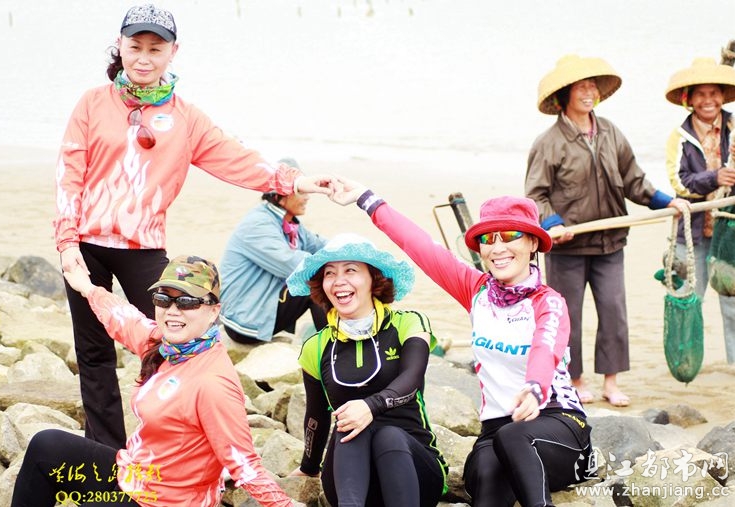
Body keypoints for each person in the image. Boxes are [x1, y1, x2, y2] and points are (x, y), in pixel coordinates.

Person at [55, 3, 335, 448]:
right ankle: (105, 454)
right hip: (85, 245)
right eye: (135, 47)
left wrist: (295, 181)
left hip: (144, 248)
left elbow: (235, 159)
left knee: (177, 343)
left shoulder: (186, 118)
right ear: (121, 46)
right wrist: (68, 243)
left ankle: (175, 443)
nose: (144, 58)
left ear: (173, 52)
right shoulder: (91, 103)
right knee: (94, 354)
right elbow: (70, 174)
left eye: (155, 49)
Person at [328, 182, 593, 507]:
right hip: (498, 429)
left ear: (533, 242)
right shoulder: (477, 291)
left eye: (510, 236)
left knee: (514, 437)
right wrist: (366, 199)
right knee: (481, 472)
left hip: (557, 422)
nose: (497, 248)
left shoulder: (548, 302)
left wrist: (535, 387)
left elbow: (546, 347)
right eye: (488, 239)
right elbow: (421, 246)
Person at [11, 256, 293, 507]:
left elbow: (245, 464)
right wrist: (87, 287)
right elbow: (125, 319)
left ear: (213, 310)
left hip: (166, 501)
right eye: (163, 299)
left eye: (187, 302)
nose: (173, 310)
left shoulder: (213, 383)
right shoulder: (165, 346)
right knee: (46, 445)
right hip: (132, 476)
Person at [524, 54, 689, 407]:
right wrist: (553, 224)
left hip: (610, 242)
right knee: (566, 316)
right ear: (565, 95)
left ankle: (611, 382)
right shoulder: (548, 142)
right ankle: (574, 379)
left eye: (592, 86)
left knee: (614, 310)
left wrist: (667, 201)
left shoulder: (611, 132)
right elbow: (536, 195)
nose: (589, 92)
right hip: (567, 248)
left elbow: (633, 180)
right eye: (581, 87)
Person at [284, 233, 448, 507]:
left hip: (415, 472)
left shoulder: (408, 323)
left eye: (350, 270)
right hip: (350, 475)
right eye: (329, 273)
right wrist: (308, 467)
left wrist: (370, 406)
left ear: (374, 279)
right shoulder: (317, 345)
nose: (339, 281)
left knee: (387, 435)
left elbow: (412, 378)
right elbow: (316, 415)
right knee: (348, 424)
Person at [665, 57, 735, 364]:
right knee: (688, 298)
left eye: (714, 93)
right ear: (689, 99)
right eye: (701, 94)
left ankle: (734, 364)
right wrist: (715, 177)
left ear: (723, 96)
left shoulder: (734, 128)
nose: (708, 100)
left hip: (729, 232)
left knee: (733, 302)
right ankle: (686, 364)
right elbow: (679, 182)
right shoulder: (679, 137)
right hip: (691, 232)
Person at [219, 158, 327, 344]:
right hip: (244, 321)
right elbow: (293, 264)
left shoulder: (288, 222)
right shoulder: (258, 223)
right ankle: (337, 349)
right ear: (280, 194)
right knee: (316, 282)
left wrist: (355, 253)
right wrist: (335, 268)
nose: (307, 197)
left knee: (334, 274)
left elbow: (319, 244)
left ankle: (339, 341)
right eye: (301, 191)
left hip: (264, 306)